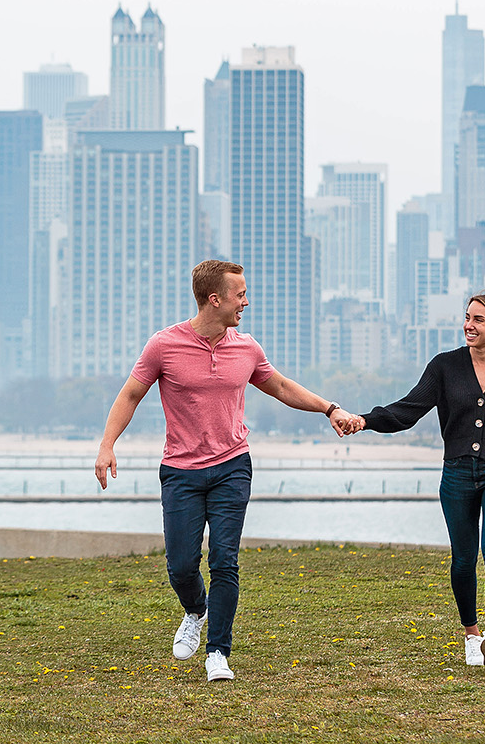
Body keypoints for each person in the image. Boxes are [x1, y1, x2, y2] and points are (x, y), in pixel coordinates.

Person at [95, 260, 358, 683]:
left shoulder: (246, 347)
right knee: (181, 566)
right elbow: (130, 394)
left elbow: (282, 387)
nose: (246, 302)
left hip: (232, 466)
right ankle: (196, 610)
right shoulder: (163, 345)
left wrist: (330, 408)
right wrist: (107, 446)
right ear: (214, 299)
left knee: (225, 560)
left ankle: (218, 651)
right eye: (240, 295)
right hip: (180, 470)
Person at [336, 294, 485, 669]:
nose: (468, 325)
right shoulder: (445, 367)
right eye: (467, 318)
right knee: (462, 561)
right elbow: (407, 409)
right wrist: (365, 420)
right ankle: (471, 635)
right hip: (456, 474)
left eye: (478, 320)